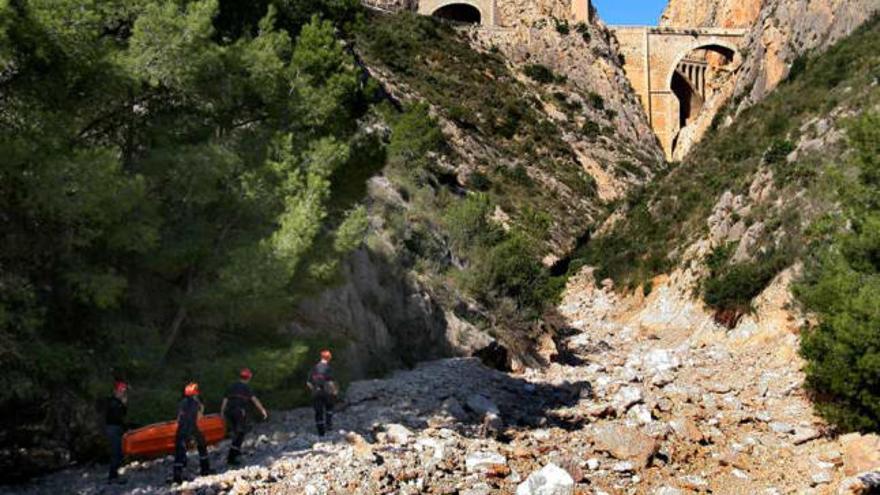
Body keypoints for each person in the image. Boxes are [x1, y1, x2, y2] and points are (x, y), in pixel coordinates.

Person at [221, 368, 268, 465]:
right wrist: (262, 410)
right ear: (248, 378)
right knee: (240, 433)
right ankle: (232, 458)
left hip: (229, 412)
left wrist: (222, 413)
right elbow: (254, 400)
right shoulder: (246, 388)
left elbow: (225, 400)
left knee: (235, 432)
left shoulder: (232, 386)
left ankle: (236, 452)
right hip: (239, 412)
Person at [172, 382, 212, 484]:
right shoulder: (196, 403)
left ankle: (177, 477)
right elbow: (198, 417)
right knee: (202, 446)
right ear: (196, 393)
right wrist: (202, 409)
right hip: (192, 428)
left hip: (181, 429)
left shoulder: (182, 403)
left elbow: (179, 418)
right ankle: (205, 470)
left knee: (179, 452)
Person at [306, 349, 338, 436]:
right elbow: (330, 382)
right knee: (329, 408)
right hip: (326, 392)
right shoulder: (328, 368)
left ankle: (321, 432)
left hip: (316, 392)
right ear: (329, 358)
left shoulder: (314, 368)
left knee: (318, 412)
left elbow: (308, 382)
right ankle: (329, 426)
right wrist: (334, 391)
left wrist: (313, 389)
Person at [106, 380, 128, 484]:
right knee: (115, 453)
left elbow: (123, 415)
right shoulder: (113, 402)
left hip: (116, 428)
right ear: (116, 391)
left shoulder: (117, 402)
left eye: (123, 391)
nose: (122, 393)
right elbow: (117, 417)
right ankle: (112, 477)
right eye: (121, 391)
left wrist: (123, 405)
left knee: (118, 452)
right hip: (113, 428)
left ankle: (114, 475)